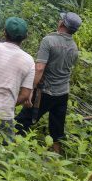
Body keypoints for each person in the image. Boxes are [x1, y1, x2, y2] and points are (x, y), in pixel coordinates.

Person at [16, 12, 81, 153]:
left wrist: (30, 90)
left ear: (62, 24)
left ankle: (11, 148)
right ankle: (56, 157)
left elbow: (39, 68)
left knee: (23, 121)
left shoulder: (49, 41)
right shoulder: (74, 47)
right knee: (57, 128)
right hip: (63, 93)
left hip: (45, 92)